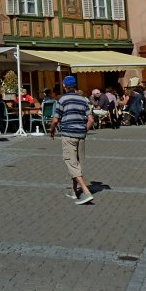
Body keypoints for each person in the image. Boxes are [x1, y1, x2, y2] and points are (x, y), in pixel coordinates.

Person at [49, 75, 95, 205]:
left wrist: (51, 130)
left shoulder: (62, 99)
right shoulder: (83, 99)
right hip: (81, 135)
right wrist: (83, 130)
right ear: (75, 86)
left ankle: (86, 192)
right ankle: (74, 191)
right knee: (77, 163)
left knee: (71, 163)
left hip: (68, 134)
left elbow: (56, 120)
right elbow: (91, 119)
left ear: (64, 86)